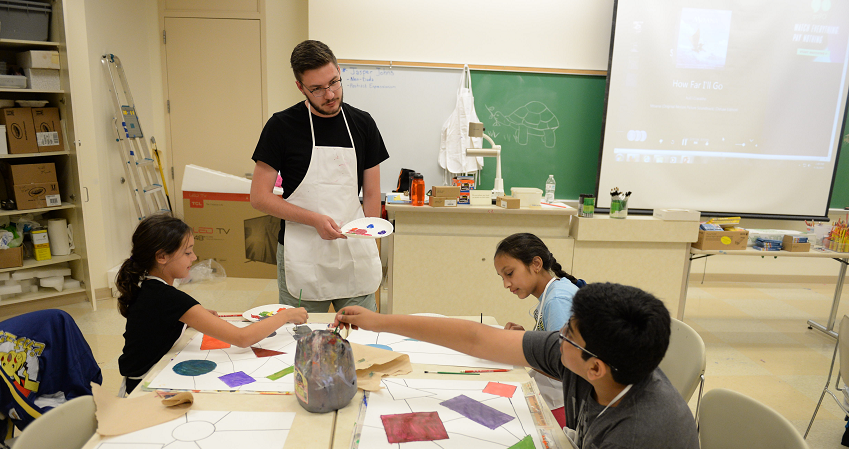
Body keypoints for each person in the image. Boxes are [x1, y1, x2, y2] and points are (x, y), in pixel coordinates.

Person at [333, 283, 699, 449]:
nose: (559, 336)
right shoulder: (596, 362)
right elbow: (479, 339)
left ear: (596, 369)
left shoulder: (636, 435)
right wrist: (379, 321)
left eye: (567, 333)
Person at [250, 39, 389, 313]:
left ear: (338, 70)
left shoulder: (363, 124)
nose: (329, 95)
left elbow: (372, 194)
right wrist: (314, 220)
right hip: (302, 253)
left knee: (361, 338)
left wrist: (367, 239)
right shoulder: (281, 126)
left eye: (334, 82)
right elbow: (259, 197)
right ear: (300, 87)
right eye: (316, 89)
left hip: (353, 250)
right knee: (301, 341)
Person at [116, 214, 308, 395]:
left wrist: (190, 319)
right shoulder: (168, 298)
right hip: (144, 386)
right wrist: (285, 315)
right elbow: (242, 338)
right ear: (161, 257)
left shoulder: (147, 285)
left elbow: (154, 323)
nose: (194, 257)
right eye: (188, 252)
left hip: (139, 377)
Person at [494, 232, 583, 427]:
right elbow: (552, 346)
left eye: (509, 274)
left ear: (536, 264)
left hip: (561, 408)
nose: (506, 284)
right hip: (555, 400)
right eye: (501, 277)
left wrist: (521, 345)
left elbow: (565, 369)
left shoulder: (557, 300)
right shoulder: (553, 293)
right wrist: (528, 338)